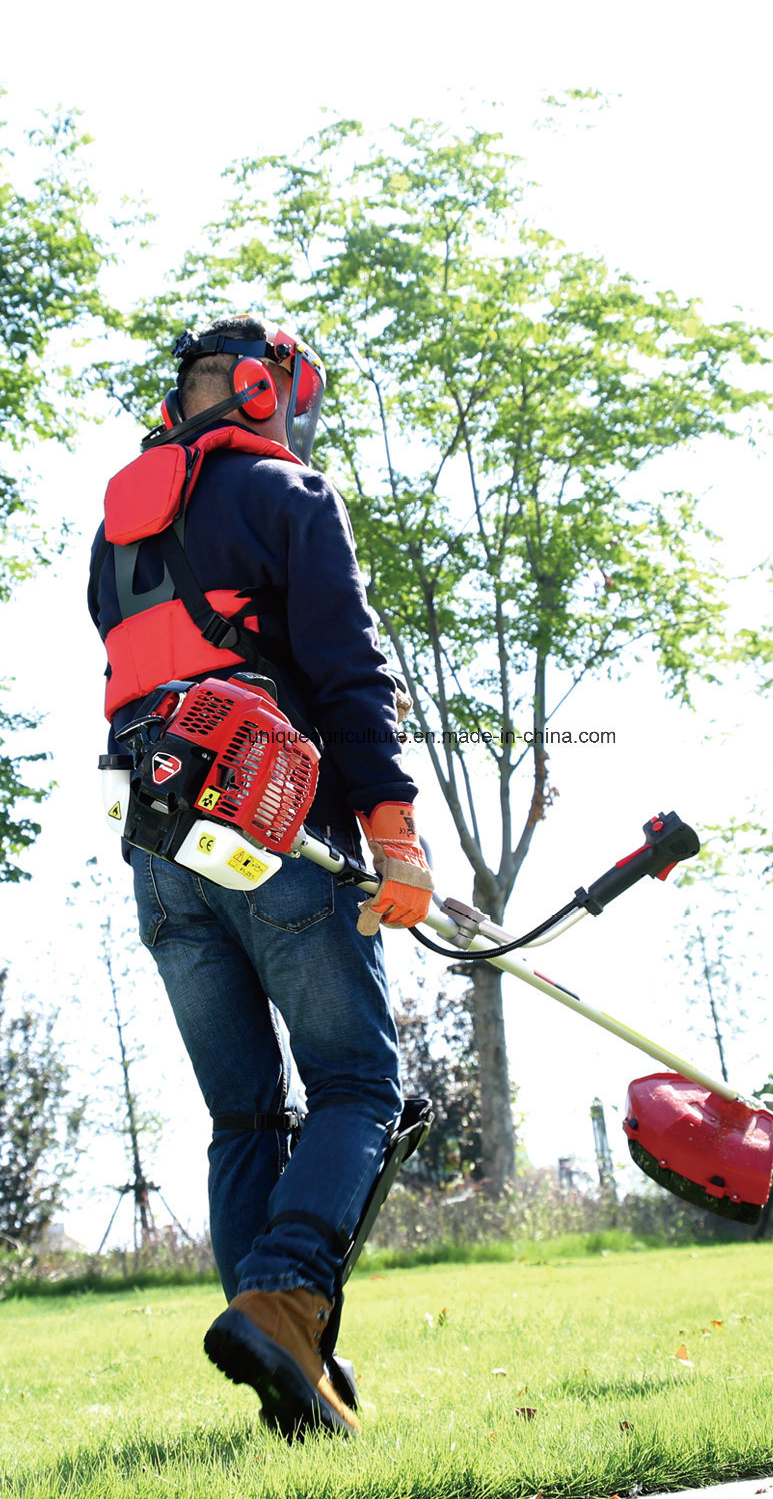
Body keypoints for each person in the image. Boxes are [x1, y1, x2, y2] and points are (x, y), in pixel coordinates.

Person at [88, 314, 434, 1439]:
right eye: (288, 391)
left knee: (243, 1117)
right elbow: (348, 669)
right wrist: (393, 831)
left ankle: (285, 1376)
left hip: (160, 852)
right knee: (358, 1085)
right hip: (277, 827)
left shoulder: (116, 534)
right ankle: (286, 1301)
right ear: (254, 387)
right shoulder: (291, 496)